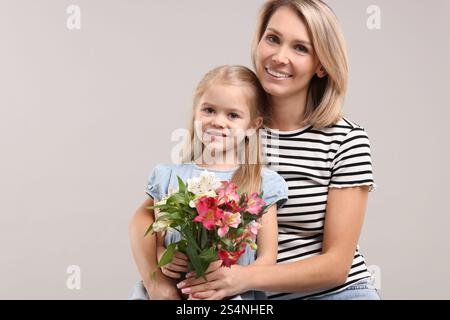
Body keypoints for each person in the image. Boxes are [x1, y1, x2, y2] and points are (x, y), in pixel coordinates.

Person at [174, 0, 380, 300]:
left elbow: (337, 265)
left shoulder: (346, 140)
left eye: (300, 48)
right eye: (273, 39)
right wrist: (158, 284)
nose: (280, 57)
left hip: (336, 294)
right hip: (246, 297)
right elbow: (163, 205)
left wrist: (243, 278)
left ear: (321, 64)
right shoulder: (232, 124)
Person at [128, 65, 288, 300]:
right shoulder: (168, 177)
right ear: (195, 112)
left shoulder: (262, 183)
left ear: (253, 125)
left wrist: (235, 279)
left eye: (233, 115)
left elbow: (267, 258)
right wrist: (163, 255)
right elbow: (154, 236)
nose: (219, 122)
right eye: (209, 110)